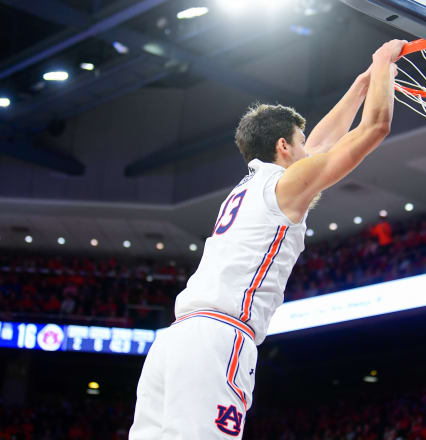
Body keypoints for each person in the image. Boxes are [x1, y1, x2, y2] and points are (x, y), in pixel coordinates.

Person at [129, 39, 406, 439]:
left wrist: (361, 86)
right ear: (283, 146)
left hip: (175, 341)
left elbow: (320, 146)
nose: (306, 147)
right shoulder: (283, 185)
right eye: (299, 140)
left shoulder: (251, 185)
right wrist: (382, 64)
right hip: (217, 339)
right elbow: (375, 126)